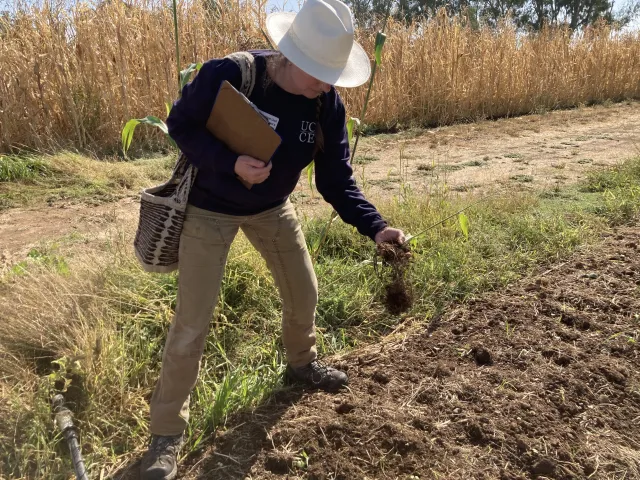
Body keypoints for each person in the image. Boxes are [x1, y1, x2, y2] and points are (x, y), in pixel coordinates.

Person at [140, 0, 405, 478]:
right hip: (210, 208)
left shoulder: (325, 104)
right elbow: (181, 125)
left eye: (333, 74)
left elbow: (336, 180)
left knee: (304, 292)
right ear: (292, 54)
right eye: (320, 72)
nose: (326, 83)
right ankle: (165, 435)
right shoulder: (231, 75)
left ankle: (301, 364)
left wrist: (376, 226)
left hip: (271, 208)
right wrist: (230, 162)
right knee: (192, 322)